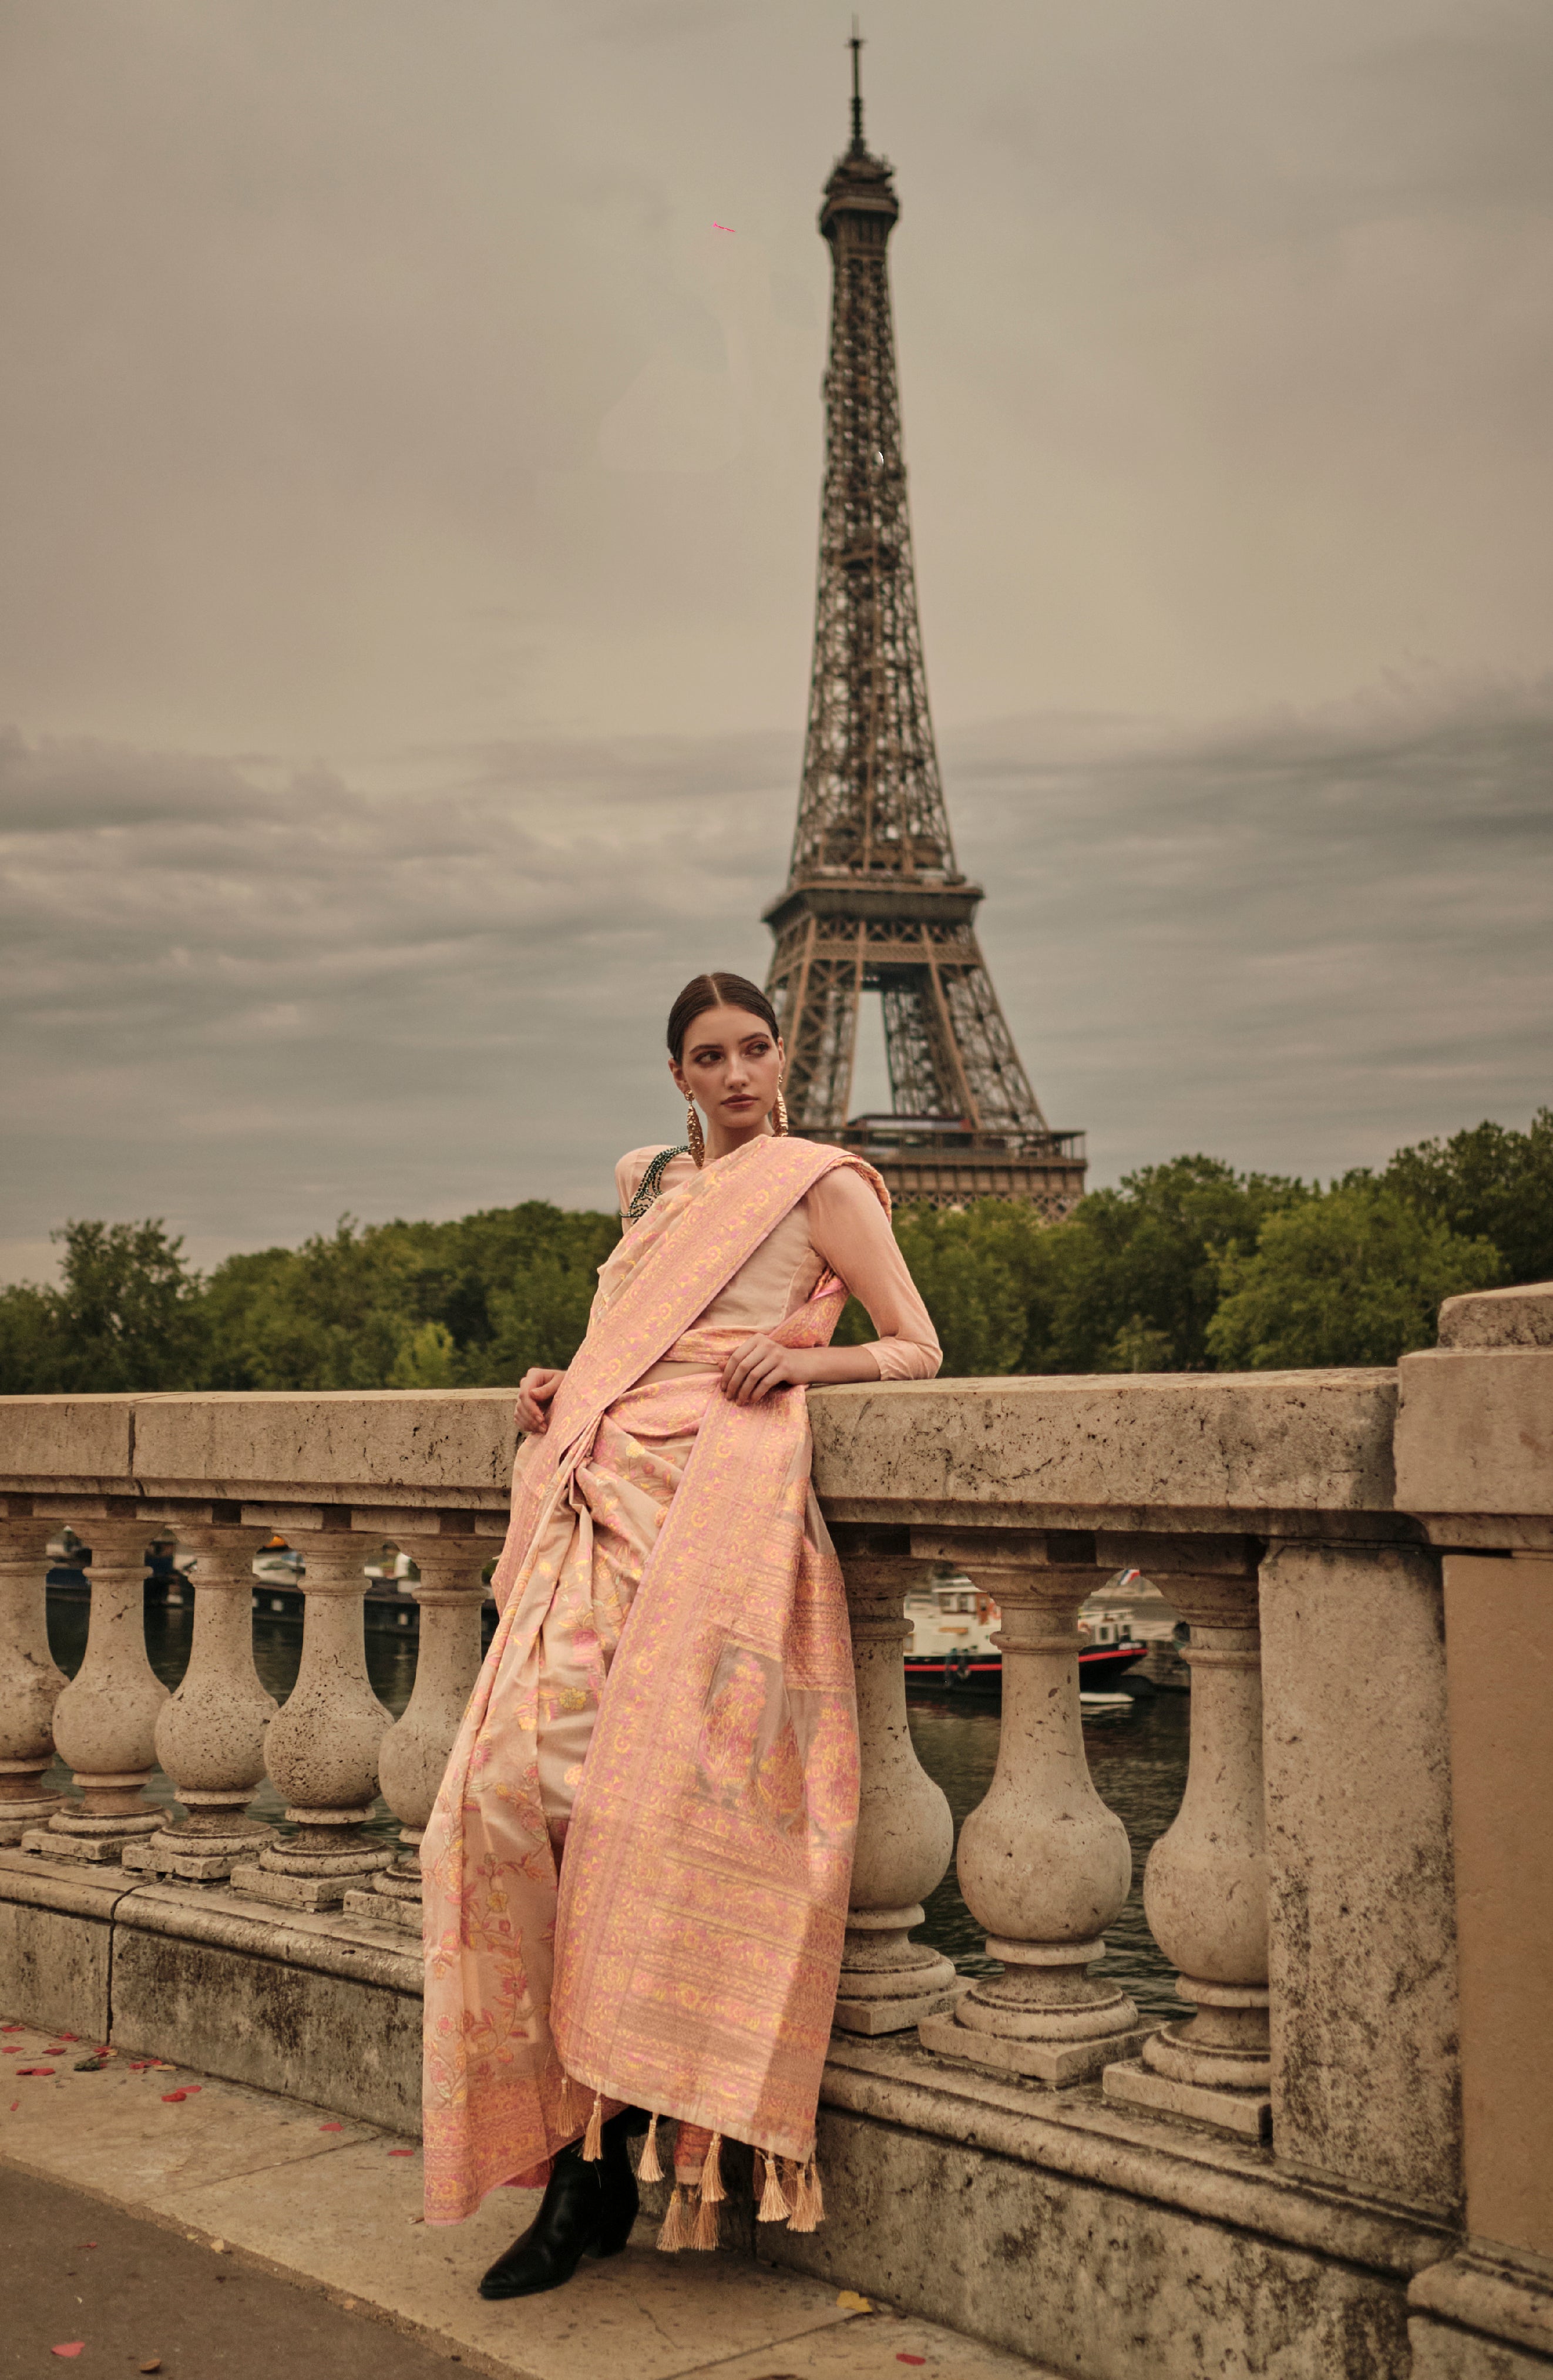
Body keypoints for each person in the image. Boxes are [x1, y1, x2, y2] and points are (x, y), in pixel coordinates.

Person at [419, 970, 940, 2300]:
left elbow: (913, 1346)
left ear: (781, 1057)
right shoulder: (650, 1181)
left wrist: (801, 1361)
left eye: (754, 1050)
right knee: (501, 1797)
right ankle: (576, 2156)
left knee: (636, 1826)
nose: (734, 1074)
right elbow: (627, 1334)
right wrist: (560, 1377)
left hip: (705, 1508)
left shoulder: (820, 1181)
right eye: (708, 1056)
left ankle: (601, 2168)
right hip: (601, 1492)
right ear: (676, 1075)